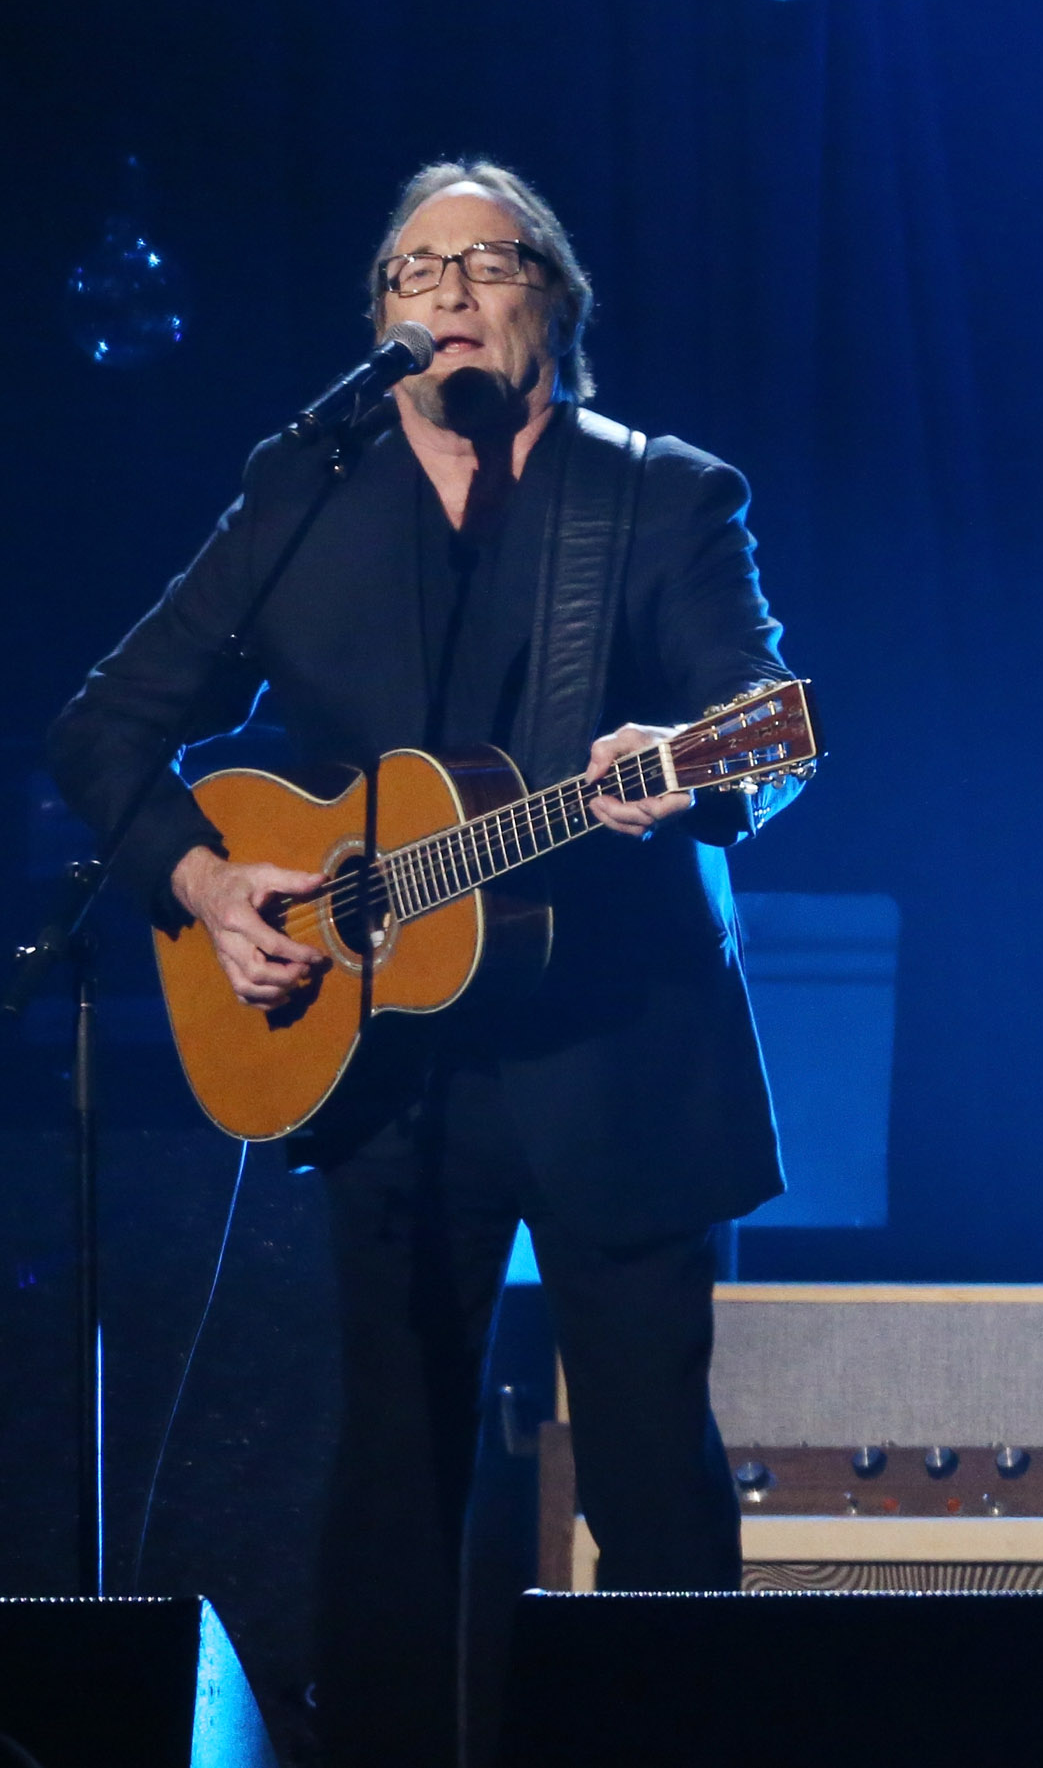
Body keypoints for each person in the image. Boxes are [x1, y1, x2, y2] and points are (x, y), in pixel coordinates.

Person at [49, 161, 801, 1767]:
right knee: (393, 1476)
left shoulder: (665, 498)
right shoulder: (303, 492)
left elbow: (769, 729)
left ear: (557, 305)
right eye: (415, 269)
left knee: (651, 1483)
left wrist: (689, 765)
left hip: (621, 1050)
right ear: (380, 322)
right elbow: (103, 726)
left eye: (491, 260)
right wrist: (206, 880)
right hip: (384, 1064)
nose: (450, 288)